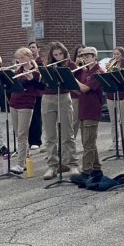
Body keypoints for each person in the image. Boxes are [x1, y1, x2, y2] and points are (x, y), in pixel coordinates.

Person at [40, 42, 79, 179]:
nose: (57, 57)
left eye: (60, 54)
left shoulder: (70, 65)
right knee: (50, 135)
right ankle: (53, 166)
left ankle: (72, 164)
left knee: (68, 133)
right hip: (47, 98)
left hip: (63, 97)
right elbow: (41, 83)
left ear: (64, 53)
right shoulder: (48, 66)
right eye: (55, 55)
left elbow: (75, 83)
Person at [73, 47, 104, 181]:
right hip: (83, 109)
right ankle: (97, 169)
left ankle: (86, 172)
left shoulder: (98, 72)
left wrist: (72, 78)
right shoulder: (85, 71)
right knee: (89, 141)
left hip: (92, 110)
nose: (85, 58)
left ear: (94, 57)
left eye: (88, 56)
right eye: (83, 56)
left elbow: (85, 88)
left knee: (88, 143)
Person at [9, 48, 41, 174]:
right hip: (14, 103)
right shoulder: (18, 70)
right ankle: (27, 160)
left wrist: (31, 79)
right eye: (19, 58)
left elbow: (38, 88)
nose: (20, 60)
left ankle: (20, 164)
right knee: (18, 133)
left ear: (29, 57)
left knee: (22, 135)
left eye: (22, 58)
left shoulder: (36, 72)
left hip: (26, 105)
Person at [105, 46, 124, 153]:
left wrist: (118, 70)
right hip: (111, 95)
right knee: (113, 120)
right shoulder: (110, 63)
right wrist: (107, 70)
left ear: (122, 55)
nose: (116, 56)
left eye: (118, 54)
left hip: (122, 95)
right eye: (114, 54)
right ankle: (115, 142)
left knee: (123, 119)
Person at [27, 41, 44, 150]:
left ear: (38, 49)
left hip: (38, 93)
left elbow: (40, 76)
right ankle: (29, 140)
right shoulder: (27, 61)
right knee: (29, 118)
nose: (32, 49)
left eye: (33, 47)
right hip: (29, 93)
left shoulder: (40, 61)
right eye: (30, 48)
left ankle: (36, 141)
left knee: (36, 117)